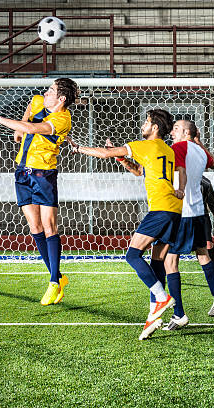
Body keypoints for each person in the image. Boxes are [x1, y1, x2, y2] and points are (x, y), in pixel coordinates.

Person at [72, 109, 182, 340]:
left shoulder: (145, 145)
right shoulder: (167, 150)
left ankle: (162, 298)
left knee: (132, 255)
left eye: (146, 122)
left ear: (154, 128)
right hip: (174, 211)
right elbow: (140, 170)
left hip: (160, 209)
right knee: (157, 262)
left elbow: (103, 153)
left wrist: (78, 148)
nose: (143, 125)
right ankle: (154, 315)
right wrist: (121, 158)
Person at [0, 78, 78, 306]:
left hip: (43, 174)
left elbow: (33, 128)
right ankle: (58, 278)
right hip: (21, 172)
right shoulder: (36, 101)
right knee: (34, 227)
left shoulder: (63, 119)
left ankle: (54, 282)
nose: (46, 92)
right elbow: (26, 120)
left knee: (49, 227)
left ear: (61, 99)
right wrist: (19, 130)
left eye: (51, 91)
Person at [161, 119, 214, 331]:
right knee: (202, 254)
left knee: (170, 262)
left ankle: (178, 314)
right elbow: (213, 163)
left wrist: (178, 190)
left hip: (184, 212)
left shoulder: (179, 147)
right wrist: (199, 141)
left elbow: (180, 171)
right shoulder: (199, 150)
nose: (172, 132)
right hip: (199, 212)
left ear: (187, 132)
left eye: (177, 128)